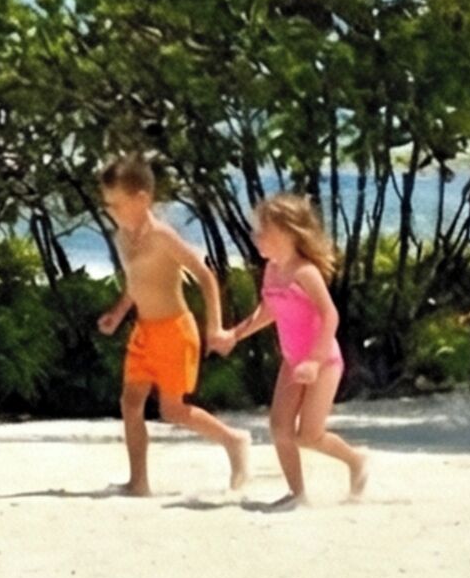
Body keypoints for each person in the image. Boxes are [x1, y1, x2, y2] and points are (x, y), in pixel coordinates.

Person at [90, 155, 247, 497]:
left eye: (116, 205)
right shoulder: (122, 238)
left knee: (172, 410)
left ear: (142, 198)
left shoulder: (163, 237)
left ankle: (233, 441)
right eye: (108, 205)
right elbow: (136, 283)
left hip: (176, 331)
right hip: (144, 332)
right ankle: (138, 482)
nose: (111, 212)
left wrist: (215, 326)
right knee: (130, 402)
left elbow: (205, 277)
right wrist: (118, 314)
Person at [219, 190, 367, 508]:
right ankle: (297, 493)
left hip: (323, 360)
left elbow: (330, 315)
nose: (255, 237)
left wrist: (314, 360)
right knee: (279, 428)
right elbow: (269, 310)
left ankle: (355, 461)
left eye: (262, 231)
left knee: (309, 435)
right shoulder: (273, 271)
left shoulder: (305, 272)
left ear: (287, 232)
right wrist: (235, 334)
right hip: (292, 360)